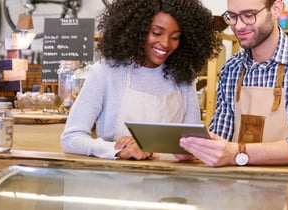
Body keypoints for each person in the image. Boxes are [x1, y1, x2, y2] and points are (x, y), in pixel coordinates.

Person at [179, 0, 288, 167]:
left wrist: (239, 153)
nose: (239, 26)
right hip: (238, 189)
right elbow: (221, 140)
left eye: (249, 15)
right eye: (232, 16)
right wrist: (195, 148)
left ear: (276, 9)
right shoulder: (231, 69)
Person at [60, 0, 220, 160]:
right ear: (136, 30)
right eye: (156, 33)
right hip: (115, 180)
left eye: (175, 37)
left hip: (170, 181)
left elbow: (191, 146)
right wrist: (116, 150)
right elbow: (71, 138)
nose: (165, 43)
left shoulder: (184, 77)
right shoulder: (106, 72)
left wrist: (194, 149)